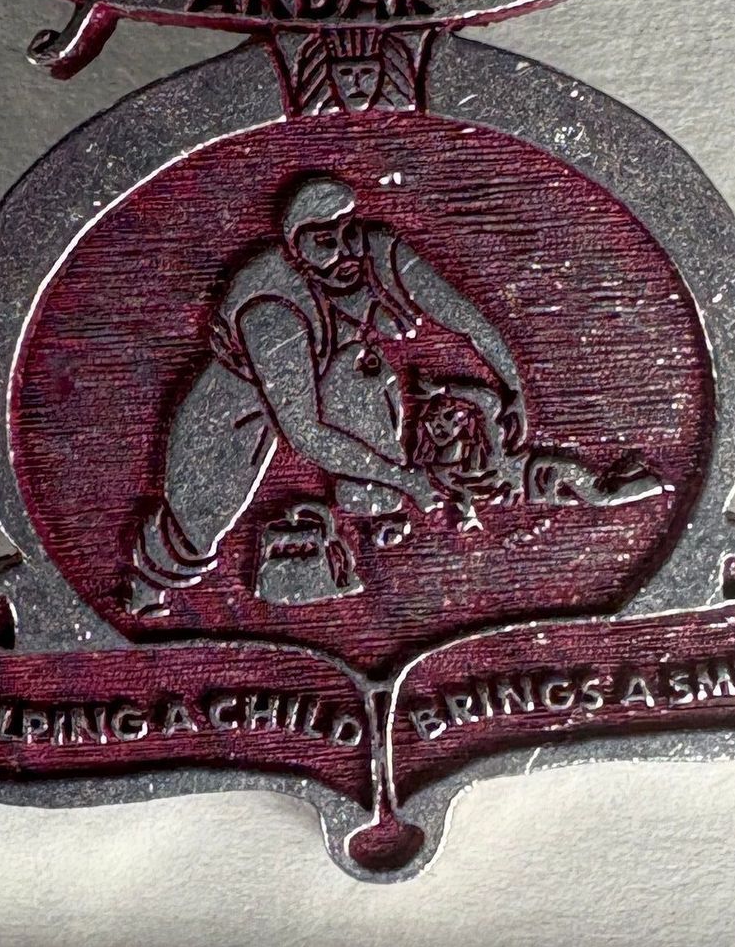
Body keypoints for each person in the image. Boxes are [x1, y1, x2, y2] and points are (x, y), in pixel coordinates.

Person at [125, 176, 527, 617]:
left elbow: (461, 314)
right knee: (198, 522)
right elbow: (306, 432)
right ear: (296, 246)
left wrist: (512, 385)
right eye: (323, 241)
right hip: (237, 409)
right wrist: (405, 479)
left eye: (347, 232)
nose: (344, 251)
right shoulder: (272, 310)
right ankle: (146, 599)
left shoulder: (371, 252)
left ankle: (372, 506)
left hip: (331, 378)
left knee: (362, 376)